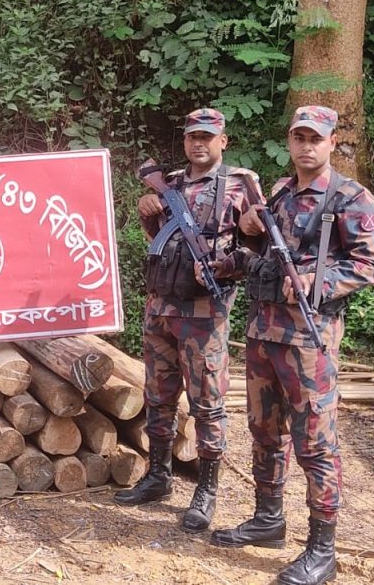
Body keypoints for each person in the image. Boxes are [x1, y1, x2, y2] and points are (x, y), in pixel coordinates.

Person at [210, 106, 374, 585]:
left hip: (308, 341)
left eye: (316, 138)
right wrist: (245, 239)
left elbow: (370, 264)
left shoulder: (350, 197)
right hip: (263, 333)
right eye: (299, 137)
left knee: (315, 442)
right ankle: (268, 519)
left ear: (331, 143)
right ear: (289, 142)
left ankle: (321, 550)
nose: (307, 146)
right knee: (265, 430)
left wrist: (316, 279)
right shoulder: (281, 192)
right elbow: (266, 257)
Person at [114, 108, 252, 533]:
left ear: (223, 141)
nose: (199, 143)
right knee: (158, 397)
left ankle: (206, 491)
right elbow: (155, 242)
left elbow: (259, 249)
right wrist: (145, 208)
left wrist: (223, 266)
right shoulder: (169, 183)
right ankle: (158, 476)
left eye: (208, 137)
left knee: (207, 405)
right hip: (160, 309)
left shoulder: (239, 187)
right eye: (193, 136)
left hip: (204, 315)